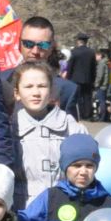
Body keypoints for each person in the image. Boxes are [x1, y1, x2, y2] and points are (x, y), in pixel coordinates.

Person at [14, 61, 80, 203]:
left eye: (42, 86)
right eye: (28, 87)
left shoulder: (71, 127)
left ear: (51, 92)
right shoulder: (8, 128)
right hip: (22, 208)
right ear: (17, 93)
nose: (36, 93)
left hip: (63, 206)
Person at [13, 16, 82, 114]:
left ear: (52, 46)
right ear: (19, 43)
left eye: (43, 45)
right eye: (28, 44)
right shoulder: (0, 81)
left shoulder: (68, 90)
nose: (35, 51)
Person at [65, 33, 99, 120]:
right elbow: (93, 67)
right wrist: (93, 78)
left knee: (78, 97)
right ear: (86, 42)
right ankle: (87, 115)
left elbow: (70, 66)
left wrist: (68, 77)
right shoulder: (91, 52)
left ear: (78, 41)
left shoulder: (74, 52)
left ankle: (80, 114)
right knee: (88, 97)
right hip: (88, 78)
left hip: (75, 78)